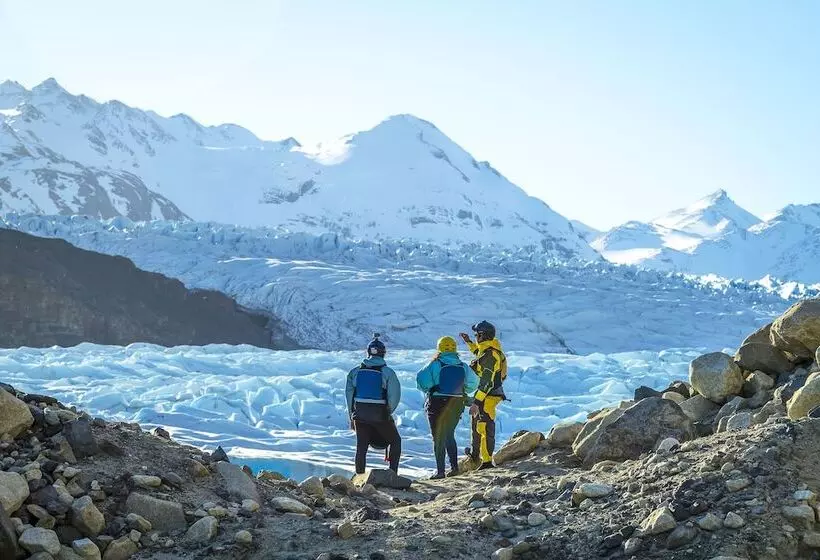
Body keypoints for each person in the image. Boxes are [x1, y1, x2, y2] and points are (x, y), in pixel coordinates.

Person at [416, 336, 479, 479]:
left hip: (437, 402)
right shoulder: (462, 366)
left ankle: (440, 472)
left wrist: (431, 388)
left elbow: (421, 381)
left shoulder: (435, 364)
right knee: (449, 435)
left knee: (438, 437)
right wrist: (461, 390)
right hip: (456, 403)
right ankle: (454, 468)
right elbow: (474, 383)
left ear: (440, 348)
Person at [345, 334, 402, 474]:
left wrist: (351, 415)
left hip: (359, 413)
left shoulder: (355, 372)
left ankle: (359, 476)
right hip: (379, 413)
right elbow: (394, 396)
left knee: (361, 446)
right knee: (395, 441)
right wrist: (388, 412)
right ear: (383, 353)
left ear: (368, 352)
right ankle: (392, 473)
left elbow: (349, 395)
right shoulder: (388, 372)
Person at [459, 321, 507, 470]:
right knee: (477, 425)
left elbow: (487, 382)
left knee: (484, 426)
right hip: (485, 395)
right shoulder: (487, 350)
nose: (475, 337)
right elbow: (478, 353)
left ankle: (486, 462)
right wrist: (469, 342)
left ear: (482, 335)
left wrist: (477, 403)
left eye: (476, 334)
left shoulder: (491, 355)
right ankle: (476, 456)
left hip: (488, 396)